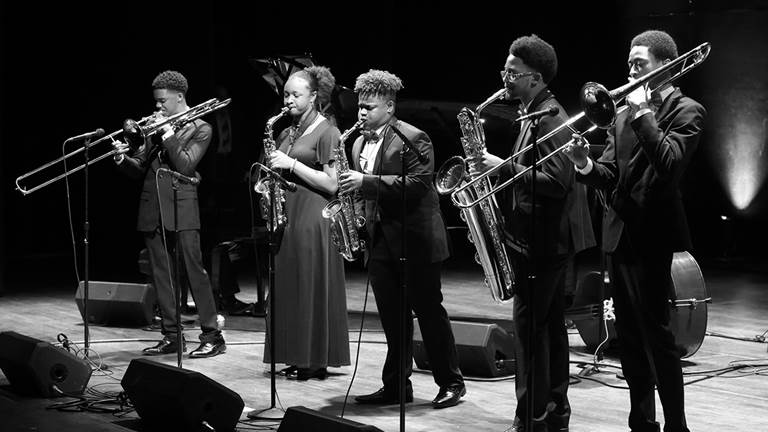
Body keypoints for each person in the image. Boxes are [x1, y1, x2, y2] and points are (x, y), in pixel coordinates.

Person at [564, 30, 705, 432]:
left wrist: (644, 113)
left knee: (657, 337)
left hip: (653, 236)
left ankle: (677, 425)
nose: (629, 71)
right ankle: (641, 422)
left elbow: (669, 165)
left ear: (665, 65)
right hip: (618, 233)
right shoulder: (621, 116)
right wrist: (585, 165)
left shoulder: (687, 111)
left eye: (639, 63)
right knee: (627, 339)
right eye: (629, 63)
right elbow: (611, 174)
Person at [471, 35, 595, 431]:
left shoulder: (550, 118)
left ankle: (529, 418)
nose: (505, 78)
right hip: (539, 239)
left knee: (529, 332)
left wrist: (498, 166)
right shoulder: (532, 113)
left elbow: (557, 182)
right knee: (552, 330)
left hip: (544, 244)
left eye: (512, 72)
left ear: (535, 78)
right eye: (504, 71)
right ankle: (554, 412)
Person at [340, 69, 466, 409]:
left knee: (428, 313)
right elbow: (364, 193)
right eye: (359, 107)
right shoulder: (355, 143)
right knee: (392, 318)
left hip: (417, 239)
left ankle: (452, 382)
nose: (362, 113)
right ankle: (396, 385)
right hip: (380, 240)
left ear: (390, 106)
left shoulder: (414, 137)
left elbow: (419, 184)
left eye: (369, 106)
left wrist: (365, 181)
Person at [112, 70, 226, 358]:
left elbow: (185, 166)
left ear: (179, 97)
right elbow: (139, 169)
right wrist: (123, 159)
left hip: (182, 205)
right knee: (162, 275)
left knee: (194, 271)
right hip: (153, 207)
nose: (158, 107)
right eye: (156, 102)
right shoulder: (153, 128)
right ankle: (172, 335)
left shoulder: (201, 128)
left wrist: (168, 132)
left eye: (163, 101)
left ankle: (212, 335)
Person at [262, 66, 350, 381]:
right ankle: (296, 354)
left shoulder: (329, 131)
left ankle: (315, 360)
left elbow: (331, 184)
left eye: (296, 95)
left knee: (311, 285)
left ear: (313, 96)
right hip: (291, 214)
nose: (289, 100)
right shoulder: (287, 131)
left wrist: (291, 163)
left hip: (315, 217)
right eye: (286, 94)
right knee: (291, 286)